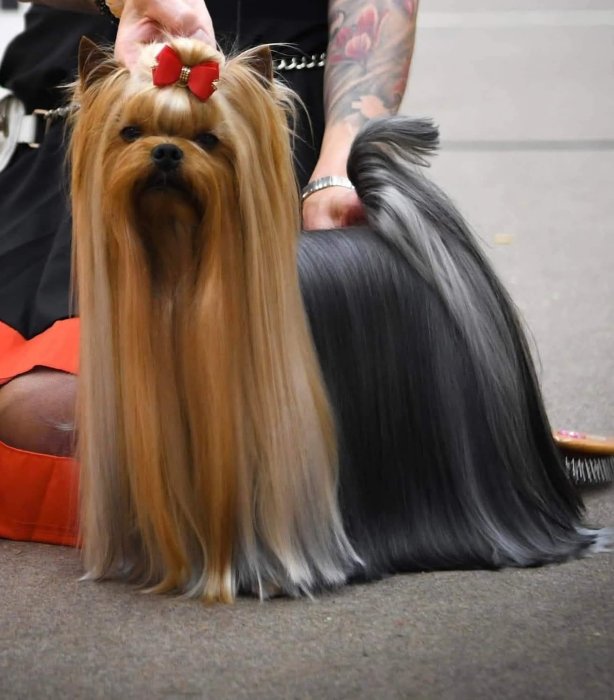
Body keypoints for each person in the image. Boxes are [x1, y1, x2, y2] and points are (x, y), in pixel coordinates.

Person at [0, 0, 419, 545]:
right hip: (71, 141)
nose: (166, 153)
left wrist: (338, 167)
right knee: (36, 412)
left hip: (262, 134)